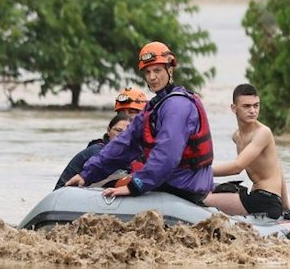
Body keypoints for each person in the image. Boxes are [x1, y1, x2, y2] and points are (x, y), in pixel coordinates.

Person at [64, 41, 214, 203]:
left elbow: (167, 155)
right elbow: (125, 143)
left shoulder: (177, 106)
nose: (152, 77)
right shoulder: (155, 106)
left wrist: (135, 186)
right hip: (170, 183)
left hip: (183, 187)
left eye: (157, 70)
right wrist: (86, 175)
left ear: (170, 69)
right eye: (147, 72)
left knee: (116, 185)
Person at [205, 82, 290, 219]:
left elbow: (237, 167)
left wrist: (201, 172)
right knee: (207, 189)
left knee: (203, 199)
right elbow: (277, 165)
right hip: (254, 196)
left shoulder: (263, 133)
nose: (253, 111)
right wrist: (286, 204)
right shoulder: (236, 137)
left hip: (267, 201)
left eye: (256, 105)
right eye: (247, 106)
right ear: (234, 108)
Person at [54, 113, 133, 190]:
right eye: (118, 130)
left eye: (127, 133)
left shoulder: (132, 153)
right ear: (109, 131)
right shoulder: (97, 151)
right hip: (65, 193)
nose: (122, 136)